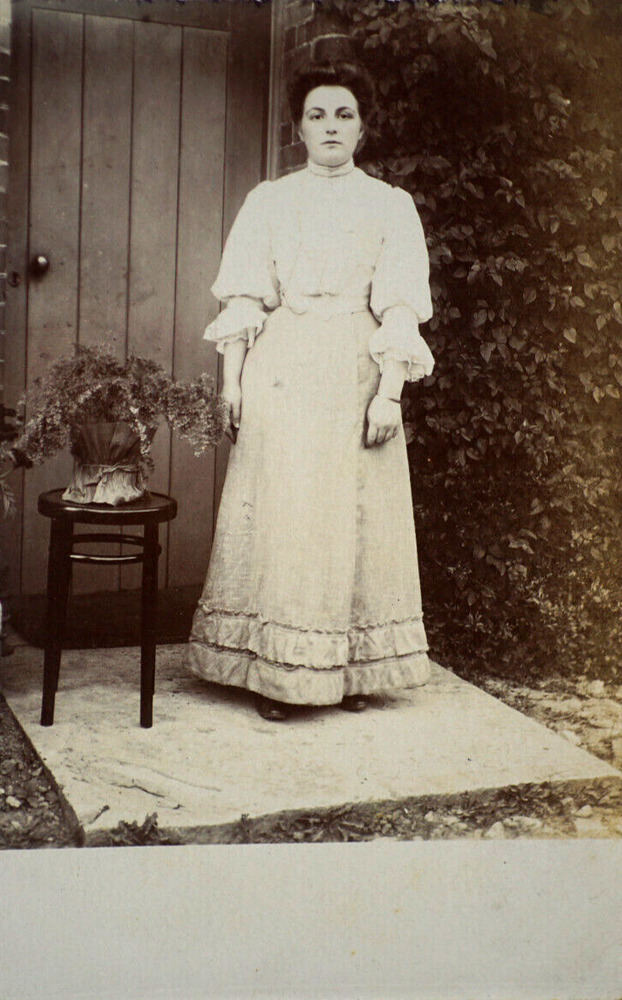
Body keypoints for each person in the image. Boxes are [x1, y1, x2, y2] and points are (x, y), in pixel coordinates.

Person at [184, 34, 435, 721]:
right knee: (286, 517)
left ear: (363, 124)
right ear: (298, 127)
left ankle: (346, 668)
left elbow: (402, 302)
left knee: (351, 519)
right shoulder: (269, 201)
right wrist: (233, 382)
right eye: (318, 114)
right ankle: (280, 674)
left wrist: (389, 392)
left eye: (344, 114)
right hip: (282, 370)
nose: (330, 127)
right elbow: (243, 297)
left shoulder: (390, 205)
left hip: (355, 365)